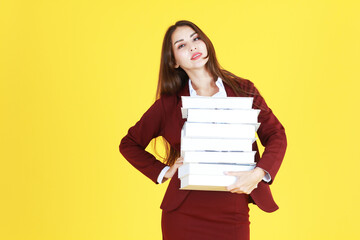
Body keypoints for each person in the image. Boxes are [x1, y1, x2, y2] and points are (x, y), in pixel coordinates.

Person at [119, 20, 287, 240]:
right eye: (181, 45)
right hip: (184, 213)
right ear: (174, 62)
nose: (192, 47)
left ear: (206, 43)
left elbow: (276, 134)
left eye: (196, 38)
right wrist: (164, 171)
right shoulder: (168, 105)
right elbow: (129, 143)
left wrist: (258, 173)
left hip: (233, 208)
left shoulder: (243, 89)